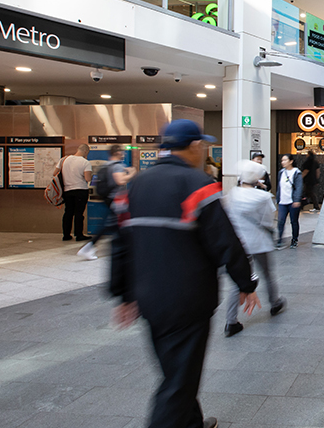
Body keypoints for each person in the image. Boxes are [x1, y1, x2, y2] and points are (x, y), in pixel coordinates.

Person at [110, 119, 259, 428]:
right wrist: (246, 282)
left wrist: (122, 294)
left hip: (148, 297)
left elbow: (121, 244)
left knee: (176, 369)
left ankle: (192, 423)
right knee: (178, 381)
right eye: (201, 145)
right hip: (188, 298)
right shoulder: (197, 183)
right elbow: (224, 240)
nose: (203, 151)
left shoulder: (134, 185)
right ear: (193, 147)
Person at [223, 160, 285, 337]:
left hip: (239, 243)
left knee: (239, 280)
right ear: (257, 177)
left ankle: (231, 321)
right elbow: (267, 221)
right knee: (267, 273)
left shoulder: (233, 193)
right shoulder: (263, 197)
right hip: (259, 243)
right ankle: (274, 302)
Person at [78, 145, 135, 261]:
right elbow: (120, 181)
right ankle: (89, 247)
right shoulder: (118, 166)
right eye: (122, 152)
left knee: (115, 223)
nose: (123, 154)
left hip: (109, 197)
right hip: (116, 199)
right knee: (111, 224)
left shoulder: (107, 165)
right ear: (118, 153)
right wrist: (132, 173)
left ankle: (127, 246)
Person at [56, 144, 93, 242]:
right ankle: (79, 235)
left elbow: (54, 173)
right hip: (80, 190)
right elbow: (87, 178)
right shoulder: (85, 162)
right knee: (79, 213)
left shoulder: (64, 160)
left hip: (67, 190)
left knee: (68, 212)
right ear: (86, 151)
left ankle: (66, 235)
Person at [276, 154, 303, 249]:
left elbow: (299, 187)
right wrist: (278, 199)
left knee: (294, 221)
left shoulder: (296, 172)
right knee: (280, 221)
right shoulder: (281, 172)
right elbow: (279, 187)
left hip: (292, 202)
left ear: (291, 161)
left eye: (285, 160)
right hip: (282, 202)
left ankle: (294, 239)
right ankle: (279, 240)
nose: (282, 162)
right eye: (282, 160)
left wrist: (296, 200)